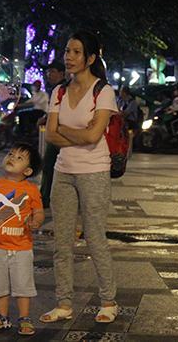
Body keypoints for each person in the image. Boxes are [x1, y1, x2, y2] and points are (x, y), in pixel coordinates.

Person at [40, 31, 119, 324]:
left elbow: (94, 135)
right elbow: (50, 134)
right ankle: (63, 303)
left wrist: (67, 132)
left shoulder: (103, 91)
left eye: (75, 52)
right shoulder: (58, 91)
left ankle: (108, 300)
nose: (69, 57)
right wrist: (79, 135)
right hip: (63, 172)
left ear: (90, 58)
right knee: (62, 242)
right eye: (67, 51)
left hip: (94, 171)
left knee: (95, 237)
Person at [0, 143, 44, 336]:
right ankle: (2, 316)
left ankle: (24, 317)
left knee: (23, 284)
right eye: (10, 154)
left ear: (28, 170)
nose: (11, 158)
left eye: (19, 158)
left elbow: (39, 211)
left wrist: (36, 221)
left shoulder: (31, 189)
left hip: (22, 246)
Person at [39, 61, 66, 208]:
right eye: (48, 72)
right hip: (57, 131)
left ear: (62, 73)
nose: (49, 74)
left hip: (58, 133)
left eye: (53, 71)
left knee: (49, 165)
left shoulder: (62, 88)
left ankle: (45, 197)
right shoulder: (56, 88)